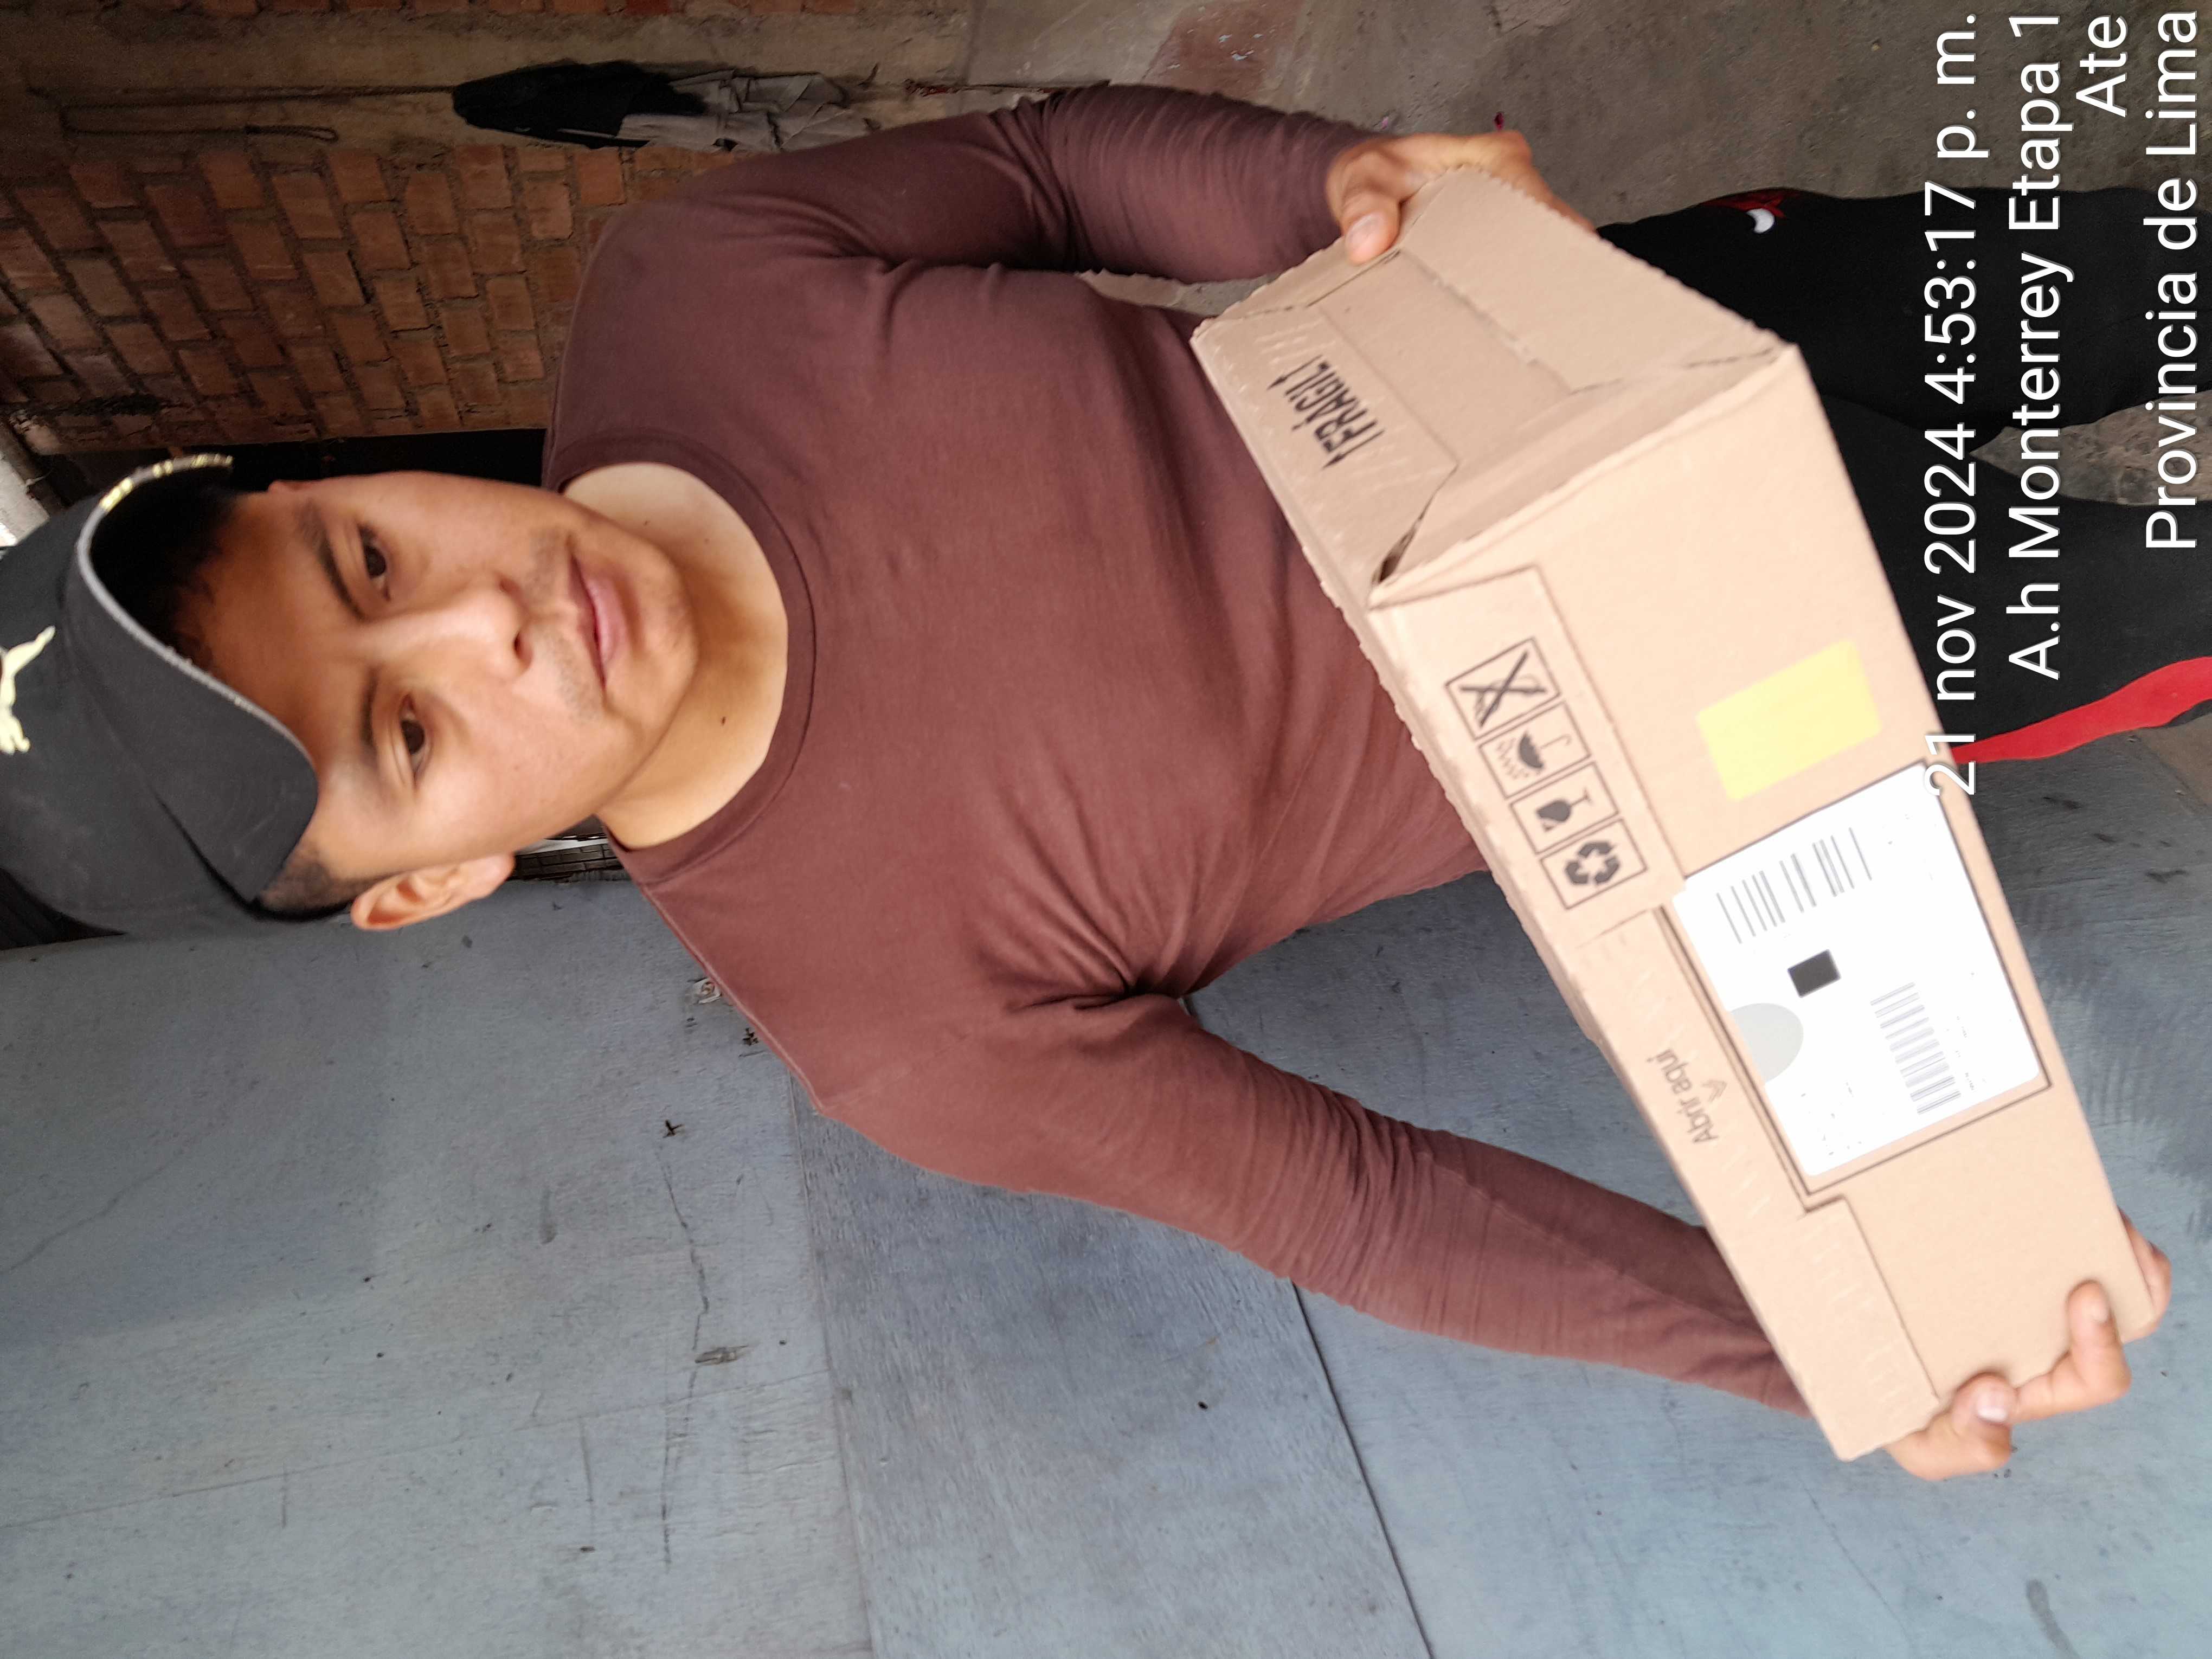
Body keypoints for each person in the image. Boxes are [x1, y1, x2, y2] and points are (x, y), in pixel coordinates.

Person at [0, 87, 2172, 1481]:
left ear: (320, 482)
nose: (487, 623)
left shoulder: (694, 293)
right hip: (1764, 687)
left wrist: (1321, 187)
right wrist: (1835, 1348)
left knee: (2144, 282)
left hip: (1619, 322)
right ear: (428, 886)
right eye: (406, 736)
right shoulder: (899, 1028)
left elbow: (1043, 172)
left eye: (366, 562)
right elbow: (1360, 1206)